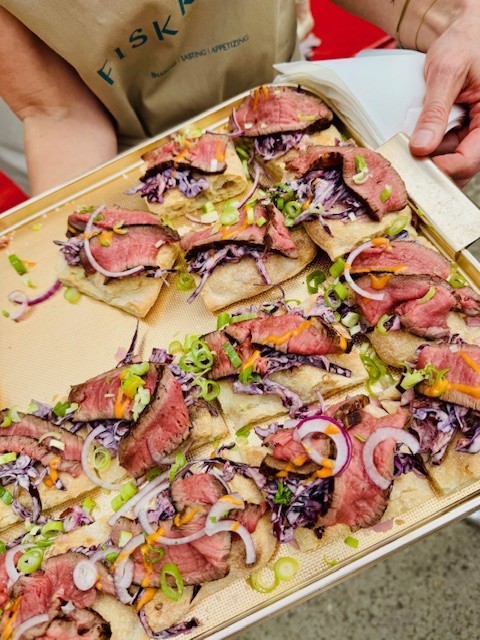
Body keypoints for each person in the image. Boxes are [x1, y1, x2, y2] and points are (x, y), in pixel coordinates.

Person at [0, 0, 479, 195]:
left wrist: (451, 19)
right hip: (109, 131)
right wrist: (84, 217)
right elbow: (58, 110)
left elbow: (426, 9)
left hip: (274, 82)